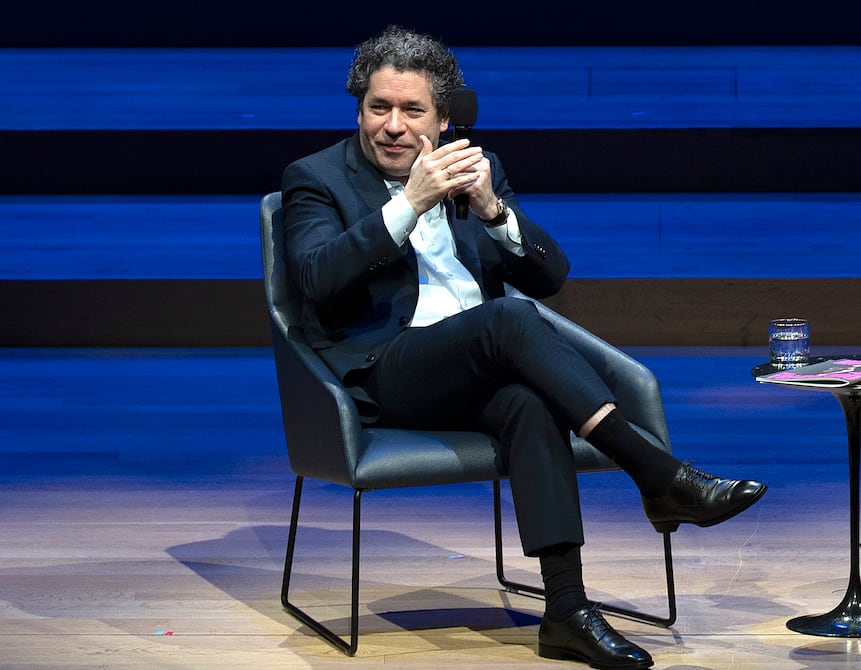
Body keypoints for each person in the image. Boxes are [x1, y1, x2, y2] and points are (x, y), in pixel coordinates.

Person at [280, 25, 767, 670]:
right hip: (384, 372)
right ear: (359, 109)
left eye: (412, 110)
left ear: (443, 118)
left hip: (478, 367)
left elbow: (551, 275)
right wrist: (409, 204)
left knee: (528, 404)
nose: (393, 127)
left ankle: (566, 609)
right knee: (508, 319)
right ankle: (656, 474)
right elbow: (314, 279)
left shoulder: (477, 169)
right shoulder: (316, 178)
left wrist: (492, 212)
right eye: (379, 107)